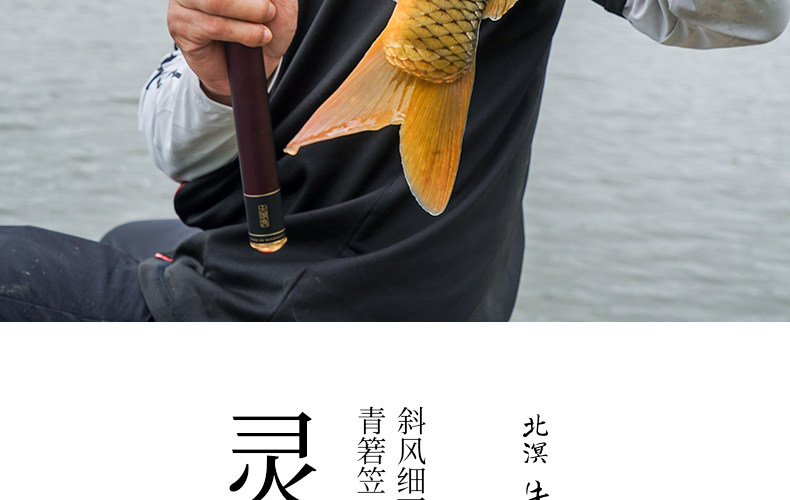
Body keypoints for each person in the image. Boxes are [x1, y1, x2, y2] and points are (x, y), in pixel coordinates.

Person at [1, 0, 787, 321]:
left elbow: (746, 15)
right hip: (260, 250)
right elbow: (172, 148)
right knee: (131, 236)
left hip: (331, 305)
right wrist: (215, 80)